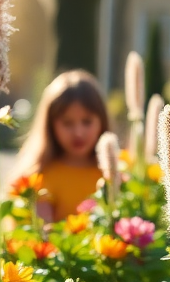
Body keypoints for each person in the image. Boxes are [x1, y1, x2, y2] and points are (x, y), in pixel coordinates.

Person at [9, 70, 109, 222]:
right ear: (50, 125)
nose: (78, 133)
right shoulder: (39, 178)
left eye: (87, 121)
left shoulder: (116, 174)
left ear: (102, 121)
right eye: (67, 123)